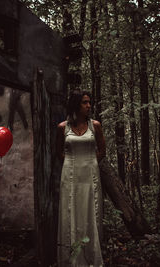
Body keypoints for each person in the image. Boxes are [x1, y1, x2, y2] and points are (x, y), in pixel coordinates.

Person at [56, 90, 106, 266]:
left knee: (90, 211)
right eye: (85, 102)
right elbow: (59, 152)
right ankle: (72, 259)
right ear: (76, 105)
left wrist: (89, 162)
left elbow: (102, 151)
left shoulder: (95, 126)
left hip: (90, 175)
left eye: (89, 102)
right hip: (69, 175)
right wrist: (71, 163)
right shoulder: (63, 127)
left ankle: (91, 256)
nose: (89, 106)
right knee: (71, 210)